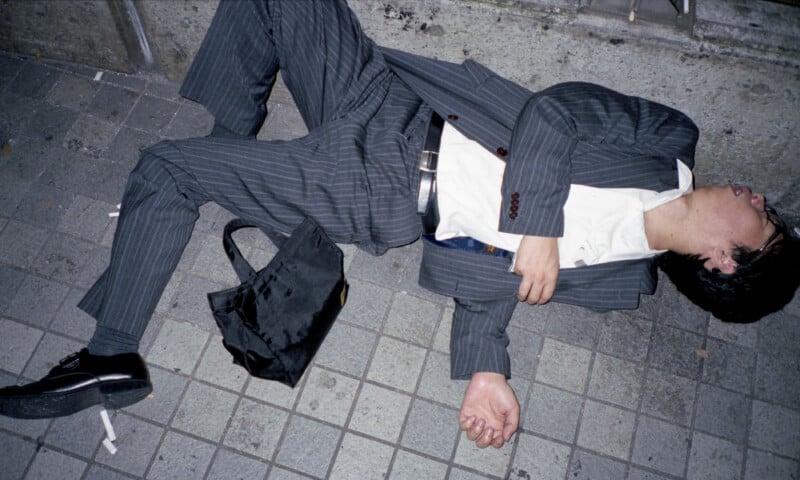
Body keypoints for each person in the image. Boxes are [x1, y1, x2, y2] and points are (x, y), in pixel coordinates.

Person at [1, 0, 797, 451]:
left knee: (165, 168)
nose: (758, 195)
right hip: (396, 100)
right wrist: (542, 224)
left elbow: (495, 275)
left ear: (726, 263)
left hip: (381, 187)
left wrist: (486, 368)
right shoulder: (671, 141)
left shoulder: (625, 284)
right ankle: (221, 163)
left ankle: (108, 356)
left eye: (762, 219)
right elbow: (555, 113)